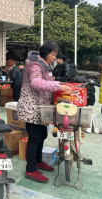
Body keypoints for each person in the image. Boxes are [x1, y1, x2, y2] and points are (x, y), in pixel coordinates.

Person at [18, 41, 73, 183]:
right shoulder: (35, 66)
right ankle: (30, 169)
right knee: (34, 137)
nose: (54, 57)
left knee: (42, 135)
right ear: (45, 53)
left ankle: (37, 161)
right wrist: (58, 85)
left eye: (55, 55)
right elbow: (36, 83)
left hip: (41, 108)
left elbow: (47, 81)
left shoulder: (45, 65)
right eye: (53, 54)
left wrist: (59, 84)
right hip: (32, 107)